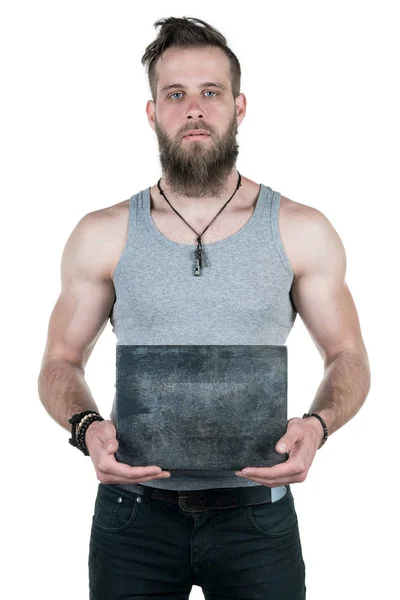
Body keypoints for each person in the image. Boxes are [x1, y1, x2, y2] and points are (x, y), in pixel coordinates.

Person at [37, 15, 371, 600]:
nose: (194, 108)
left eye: (210, 92)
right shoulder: (103, 233)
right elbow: (60, 360)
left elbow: (348, 355)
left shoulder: (300, 229)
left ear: (239, 107)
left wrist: (318, 426)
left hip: (256, 519)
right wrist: (85, 428)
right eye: (176, 94)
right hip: (133, 517)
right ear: (152, 113)